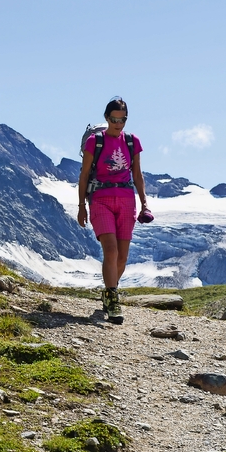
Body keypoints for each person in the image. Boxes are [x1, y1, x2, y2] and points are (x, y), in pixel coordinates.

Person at [77, 97, 149, 324]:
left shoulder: (132, 142)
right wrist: (81, 206)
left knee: (122, 257)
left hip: (126, 200)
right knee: (111, 250)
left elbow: (137, 175)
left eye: (122, 120)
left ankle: (109, 293)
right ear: (107, 118)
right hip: (100, 199)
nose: (118, 124)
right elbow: (84, 175)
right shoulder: (94, 142)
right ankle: (113, 300)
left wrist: (144, 203)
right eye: (114, 119)